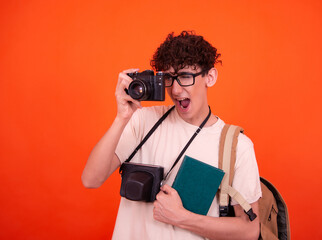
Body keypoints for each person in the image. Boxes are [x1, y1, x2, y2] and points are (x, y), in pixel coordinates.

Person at [81, 31, 262, 240]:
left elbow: (249, 230)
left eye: (185, 76)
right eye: (168, 78)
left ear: (209, 77)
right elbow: (90, 179)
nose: (175, 89)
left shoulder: (236, 145)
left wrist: (182, 217)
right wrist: (122, 117)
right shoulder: (142, 121)